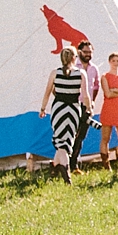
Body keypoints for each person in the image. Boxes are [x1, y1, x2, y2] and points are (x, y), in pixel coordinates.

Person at [37, 47, 89, 183]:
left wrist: (43, 108)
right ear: (74, 58)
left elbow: (47, 92)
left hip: (58, 109)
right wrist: (89, 109)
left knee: (61, 141)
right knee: (66, 142)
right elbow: (85, 95)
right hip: (73, 109)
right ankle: (65, 170)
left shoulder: (55, 73)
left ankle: (54, 167)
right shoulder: (81, 73)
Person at [70, 39, 101, 171]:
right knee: (71, 134)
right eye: (86, 52)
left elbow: (96, 86)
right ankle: (64, 163)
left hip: (86, 106)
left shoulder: (94, 68)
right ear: (79, 52)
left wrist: (92, 102)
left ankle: (74, 164)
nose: (88, 54)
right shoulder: (73, 67)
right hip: (74, 105)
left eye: (90, 52)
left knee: (81, 135)